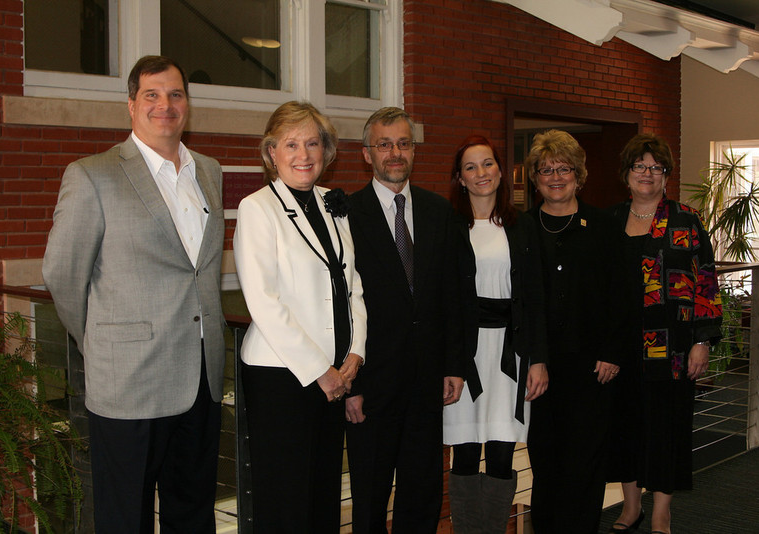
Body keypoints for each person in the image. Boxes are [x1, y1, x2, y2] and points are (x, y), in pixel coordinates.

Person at [42, 55, 225, 533]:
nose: (165, 104)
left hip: (201, 378)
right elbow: (63, 276)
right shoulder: (92, 175)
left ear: (187, 104)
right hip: (129, 383)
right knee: (126, 518)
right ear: (130, 104)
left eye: (176, 94)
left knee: (193, 514)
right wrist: (103, 343)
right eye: (152, 94)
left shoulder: (209, 171)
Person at [233, 101, 366, 532]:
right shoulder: (257, 208)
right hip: (282, 377)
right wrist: (319, 371)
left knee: (323, 494)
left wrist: (355, 354)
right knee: (286, 501)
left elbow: (353, 287)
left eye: (312, 143)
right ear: (272, 152)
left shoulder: (333, 202)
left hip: (334, 374)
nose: (303, 154)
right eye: (291, 144)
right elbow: (263, 301)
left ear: (326, 151)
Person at [344, 107, 464, 533]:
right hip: (370, 386)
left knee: (422, 493)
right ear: (366, 154)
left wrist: (454, 365)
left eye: (403, 143)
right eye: (384, 144)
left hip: (428, 383)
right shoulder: (345, 216)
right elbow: (341, 306)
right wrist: (350, 385)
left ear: (413, 150)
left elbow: (455, 295)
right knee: (370, 498)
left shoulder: (438, 212)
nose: (395, 153)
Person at [607, 133, 723, 534]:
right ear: (626, 174)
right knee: (625, 425)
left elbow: (706, 282)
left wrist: (701, 340)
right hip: (621, 349)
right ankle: (631, 506)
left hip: (673, 347)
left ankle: (661, 512)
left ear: (666, 176)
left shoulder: (685, 219)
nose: (647, 174)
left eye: (656, 167)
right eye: (639, 166)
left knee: (666, 427)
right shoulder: (609, 220)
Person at [524, 129, 629, 534]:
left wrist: (612, 351)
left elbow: (622, 295)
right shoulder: (523, 228)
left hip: (592, 366)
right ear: (534, 178)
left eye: (563, 168)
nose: (555, 176)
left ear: (578, 174)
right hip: (540, 368)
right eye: (545, 169)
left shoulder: (602, 226)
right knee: (545, 461)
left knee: (585, 463)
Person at [443, 135, 549, 534]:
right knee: (466, 451)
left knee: (504, 451)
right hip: (464, 355)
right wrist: (445, 361)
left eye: (487, 164)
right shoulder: (448, 227)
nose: (481, 173)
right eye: (470, 167)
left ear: (501, 171)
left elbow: (535, 298)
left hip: (511, 354)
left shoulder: (523, 227)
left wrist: (538, 359)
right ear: (460, 178)